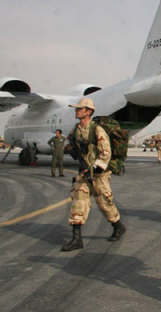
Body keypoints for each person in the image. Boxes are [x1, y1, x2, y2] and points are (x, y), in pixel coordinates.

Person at [62, 98, 126, 252]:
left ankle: (118, 226)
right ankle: (76, 239)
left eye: (80, 109)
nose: (76, 111)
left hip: (99, 174)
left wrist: (96, 169)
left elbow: (106, 152)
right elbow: (69, 144)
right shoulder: (76, 129)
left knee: (104, 203)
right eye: (77, 108)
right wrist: (71, 150)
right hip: (84, 173)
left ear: (89, 111)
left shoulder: (97, 129)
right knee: (78, 201)